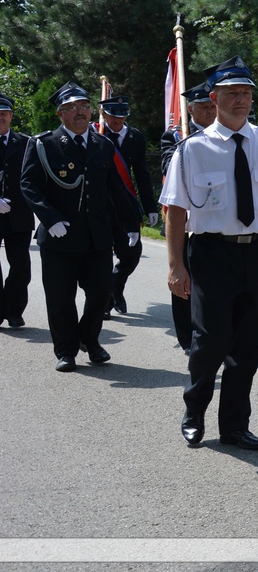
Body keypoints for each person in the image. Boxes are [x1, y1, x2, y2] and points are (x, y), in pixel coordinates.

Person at [161, 57, 258, 450]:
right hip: (211, 254)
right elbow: (175, 211)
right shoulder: (192, 150)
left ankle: (233, 425)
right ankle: (194, 409)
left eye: (246, 93)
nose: (242, 100)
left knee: (249, 345)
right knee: (211, 340)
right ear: (214, 98)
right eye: (232, 93)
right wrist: (176, 266)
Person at [20, 82, 140, 371]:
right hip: (59, 237)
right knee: (60, 298)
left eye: (84, 106)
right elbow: (29, 185)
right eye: (72, 108)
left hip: (96, 236)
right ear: (60, 114)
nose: (80, 112)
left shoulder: (102, 145)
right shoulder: (44, 144)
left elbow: (116, 188)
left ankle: (89, 338)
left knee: (101, 292)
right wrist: (50, 218)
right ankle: (66, 350)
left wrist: (130, 222)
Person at [159, 82, 217, 353]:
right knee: (184, 279)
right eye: (203, 107)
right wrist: (188, 150)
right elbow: (167, 165)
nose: (210, 111)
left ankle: (212, 332)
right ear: (190, 110)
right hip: (185, 218)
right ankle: (187, 337)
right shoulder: (175, 136)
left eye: (212, 106)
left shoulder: (224, 135)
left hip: (213, 217)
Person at [97, 94, 159, 316]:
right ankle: (105, 303)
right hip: (100, 204)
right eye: (113, 116)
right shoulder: (95, 135)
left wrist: (150, 207)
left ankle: (116, 286)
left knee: (132, 253)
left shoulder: (135, 137)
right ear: (103, 114)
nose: (118, 120)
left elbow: (141, 174)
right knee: (102, 255)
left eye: (122, 116)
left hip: (125, 204)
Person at [0, 94, 33, 329]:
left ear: (11, 116)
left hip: (19, 213)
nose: (0, 117)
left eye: (4, 113)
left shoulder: (26, 143)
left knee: (21, 268)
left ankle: (13, 310)